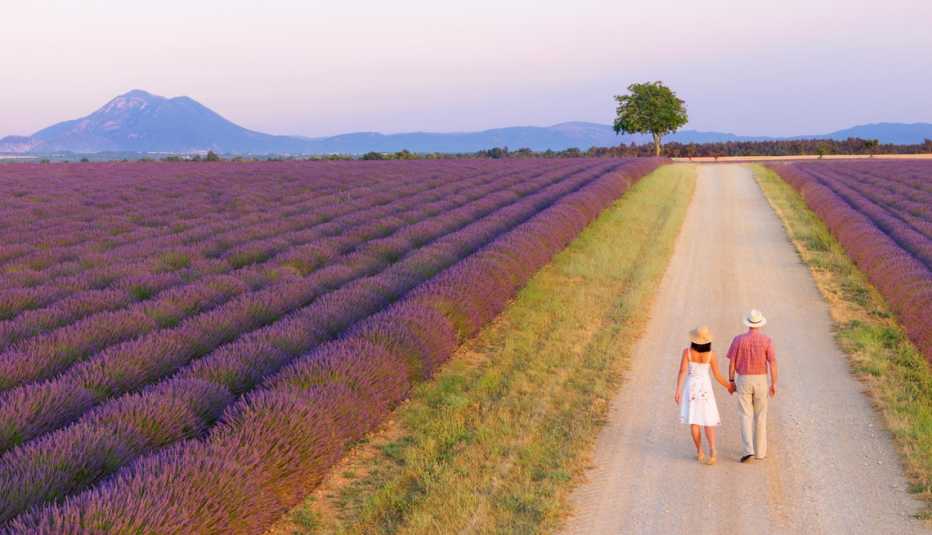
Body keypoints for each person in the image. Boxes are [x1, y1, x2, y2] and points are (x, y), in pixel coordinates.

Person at [674, 326, 734, 465]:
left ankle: (700, 451)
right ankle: (712, 450)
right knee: (708, 420)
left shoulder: (687, 352)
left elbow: (682, 371)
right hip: (705, 388)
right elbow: (717, 375)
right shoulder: (711, 355)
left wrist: (678, 390)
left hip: (691, 388)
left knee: (694, 421)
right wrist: (729, 386)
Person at [726, 309, 778, 463]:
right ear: (760, 324)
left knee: (745, 414)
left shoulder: (738, 340)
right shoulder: (767, 340)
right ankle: (761, 452)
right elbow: (773, 362)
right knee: (761, 415)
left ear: (748, 324)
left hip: (743, 379)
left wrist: (731, 380)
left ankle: (748, 450)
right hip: (761, 379)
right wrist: (774, 383)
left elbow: (732, 362)